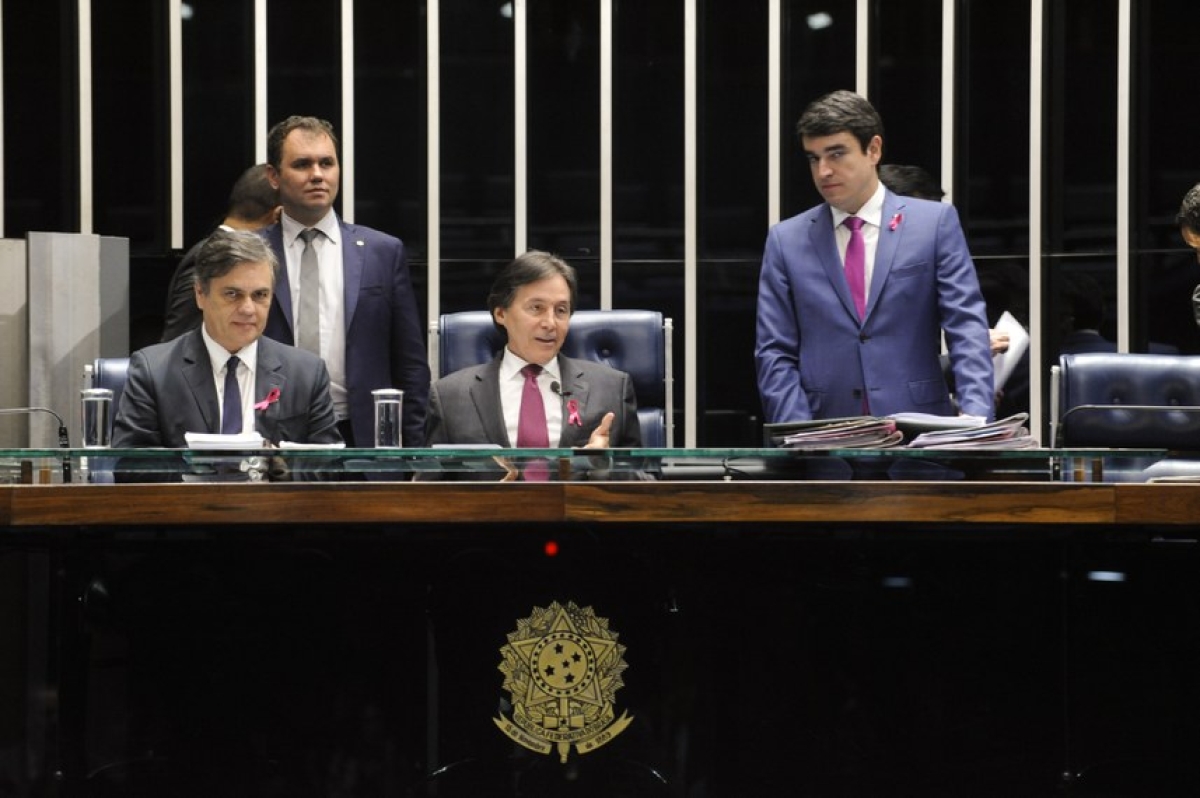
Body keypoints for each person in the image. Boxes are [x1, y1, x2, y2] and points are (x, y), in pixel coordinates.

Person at [755, 90, 995, 422]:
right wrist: (797, 435)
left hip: (919, 437)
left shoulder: (934, 224)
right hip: (823, 437)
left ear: (874, 150)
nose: (823, 171)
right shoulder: (786, 240)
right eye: (814, 158)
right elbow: (774, 352)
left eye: (836, 154)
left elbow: (966, 327)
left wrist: (976, 420)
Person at [260, 115, 431, 448]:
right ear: (273, 176)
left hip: (362, 436)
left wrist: (413, 455)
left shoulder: (383, 252)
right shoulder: (250, 254)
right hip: (273, 434)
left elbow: (410, 365)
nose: (317, 175)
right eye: (302, 164)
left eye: (327, 163)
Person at [113, 229, 342, 448]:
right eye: (233, 294)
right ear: (200, 295)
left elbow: (328, 468)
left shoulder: (306, 373)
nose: (248, 309)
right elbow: (130, 465)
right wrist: (205, 469)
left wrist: (272, 465)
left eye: (260, 295)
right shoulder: (154, 371)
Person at [425, 250, 640, 451]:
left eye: (561, 310)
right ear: (501, 314)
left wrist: (603, 469)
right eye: (536, 308)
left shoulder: (612, 389)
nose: (550, 323)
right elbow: (428, 488)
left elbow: (646, 481)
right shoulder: (449, 397)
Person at [161, 164, 280, 341]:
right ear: (277, 215)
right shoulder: (207, 258)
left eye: (260, 295)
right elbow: (178, 341)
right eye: (232, 294)